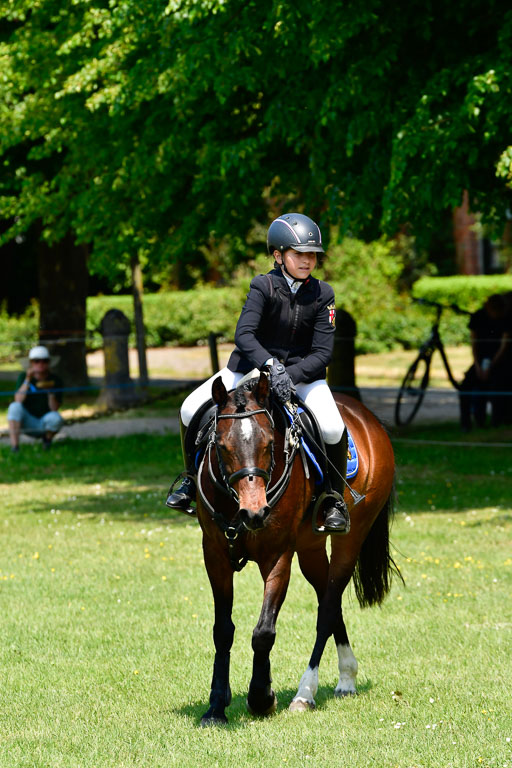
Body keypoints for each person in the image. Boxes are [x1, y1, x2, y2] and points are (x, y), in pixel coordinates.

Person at [165, 212, 350, 533]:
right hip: (249, 368)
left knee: (333, 427)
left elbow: (323, 352)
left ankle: (334, 499)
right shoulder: (262, 286)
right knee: (188, 407)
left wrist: (288, 376)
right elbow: (245, 335)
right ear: (279, 256)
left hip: (304, 377)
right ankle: (191, 481)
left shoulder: (324, 294)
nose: (307, 261)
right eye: (299, 254)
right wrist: (270, 367)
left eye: (312, 255)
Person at [459, 294, 511, 431]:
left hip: (500, 362)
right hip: (480, 362)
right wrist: (477, 366)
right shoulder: (478, 317)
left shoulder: (506, 319)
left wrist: (491, 366)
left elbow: (504, 346)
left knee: (499, 386)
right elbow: (474, 344)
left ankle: (496, 420)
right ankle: (466, 423)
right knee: (465, 387)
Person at [8, 345, 64, 452]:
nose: (41, 364)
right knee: (14, 407)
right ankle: (15, 447)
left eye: (44, 361)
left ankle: (47, 441)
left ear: (49, 363)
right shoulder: (23, 377)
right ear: (31, 363)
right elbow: (18, 400)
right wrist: (28, 379)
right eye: (37, 361)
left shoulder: (55, 380)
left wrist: (50, 393)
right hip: (26, 421)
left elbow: (55, 409)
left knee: (56, 418)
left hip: (44, 421)